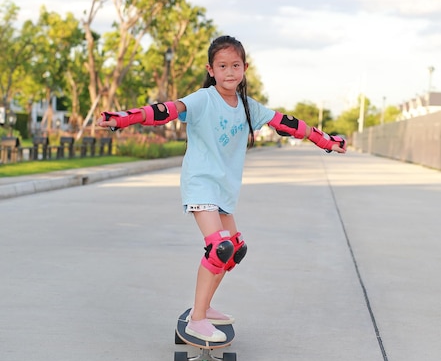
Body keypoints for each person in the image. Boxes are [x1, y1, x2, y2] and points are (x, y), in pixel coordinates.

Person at [97, 35, 346, 343]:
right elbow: (166, 110)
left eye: (236, 65)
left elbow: (289, 124)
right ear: (211, 69)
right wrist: (125, 119)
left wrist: (327, 141)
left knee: (234, 250)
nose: (230, 72)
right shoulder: (204, 98)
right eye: (223, 66)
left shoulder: (247, 106)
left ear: (245, 68)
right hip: (200, 183)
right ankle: (196, 319)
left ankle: (203, 307)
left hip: (224, 189)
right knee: (219, 247)